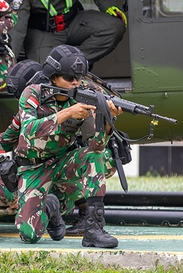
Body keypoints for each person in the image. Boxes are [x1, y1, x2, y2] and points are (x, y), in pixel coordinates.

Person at [13, 44, 121, 248]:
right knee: (29, 235)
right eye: (69, 78)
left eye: (78, 78)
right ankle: (52, 207)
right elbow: (28, 132)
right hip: (33, 167)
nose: (75, 83)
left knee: (96, 158)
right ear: (53, 77)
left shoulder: (88, 94)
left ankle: (94, 228)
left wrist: (107, 122)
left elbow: (96, 146)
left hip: (63, 162)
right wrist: (67, 113)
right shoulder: (32, 93)